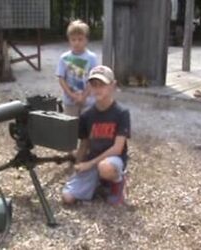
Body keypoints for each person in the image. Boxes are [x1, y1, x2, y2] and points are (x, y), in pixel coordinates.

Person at [62, 65, 131, 205]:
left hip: (112, 160)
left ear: (113, 86)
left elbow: (118, 148)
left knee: (105, 168)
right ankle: (99, 183)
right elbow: (84, 144)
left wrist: (89, 164)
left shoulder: (122, 113)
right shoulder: (87, 115)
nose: (97, 89)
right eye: (94, 85)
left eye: (102, 85)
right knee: (68, 197)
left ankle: (116, 183)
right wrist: (78, 166)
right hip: (92, 160)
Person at [56, 20, 98, 117]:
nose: (76, 43)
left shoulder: (92, 58)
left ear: (86, 40)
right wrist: (71, 95)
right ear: (69, 40)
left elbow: (93, 79)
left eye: (80, 39)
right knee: (70, 127)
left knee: (87, 127)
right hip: (70, 101)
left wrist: (84, 96)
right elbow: (61, 78)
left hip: (88, 101)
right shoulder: (64, 58)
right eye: (73, 39)